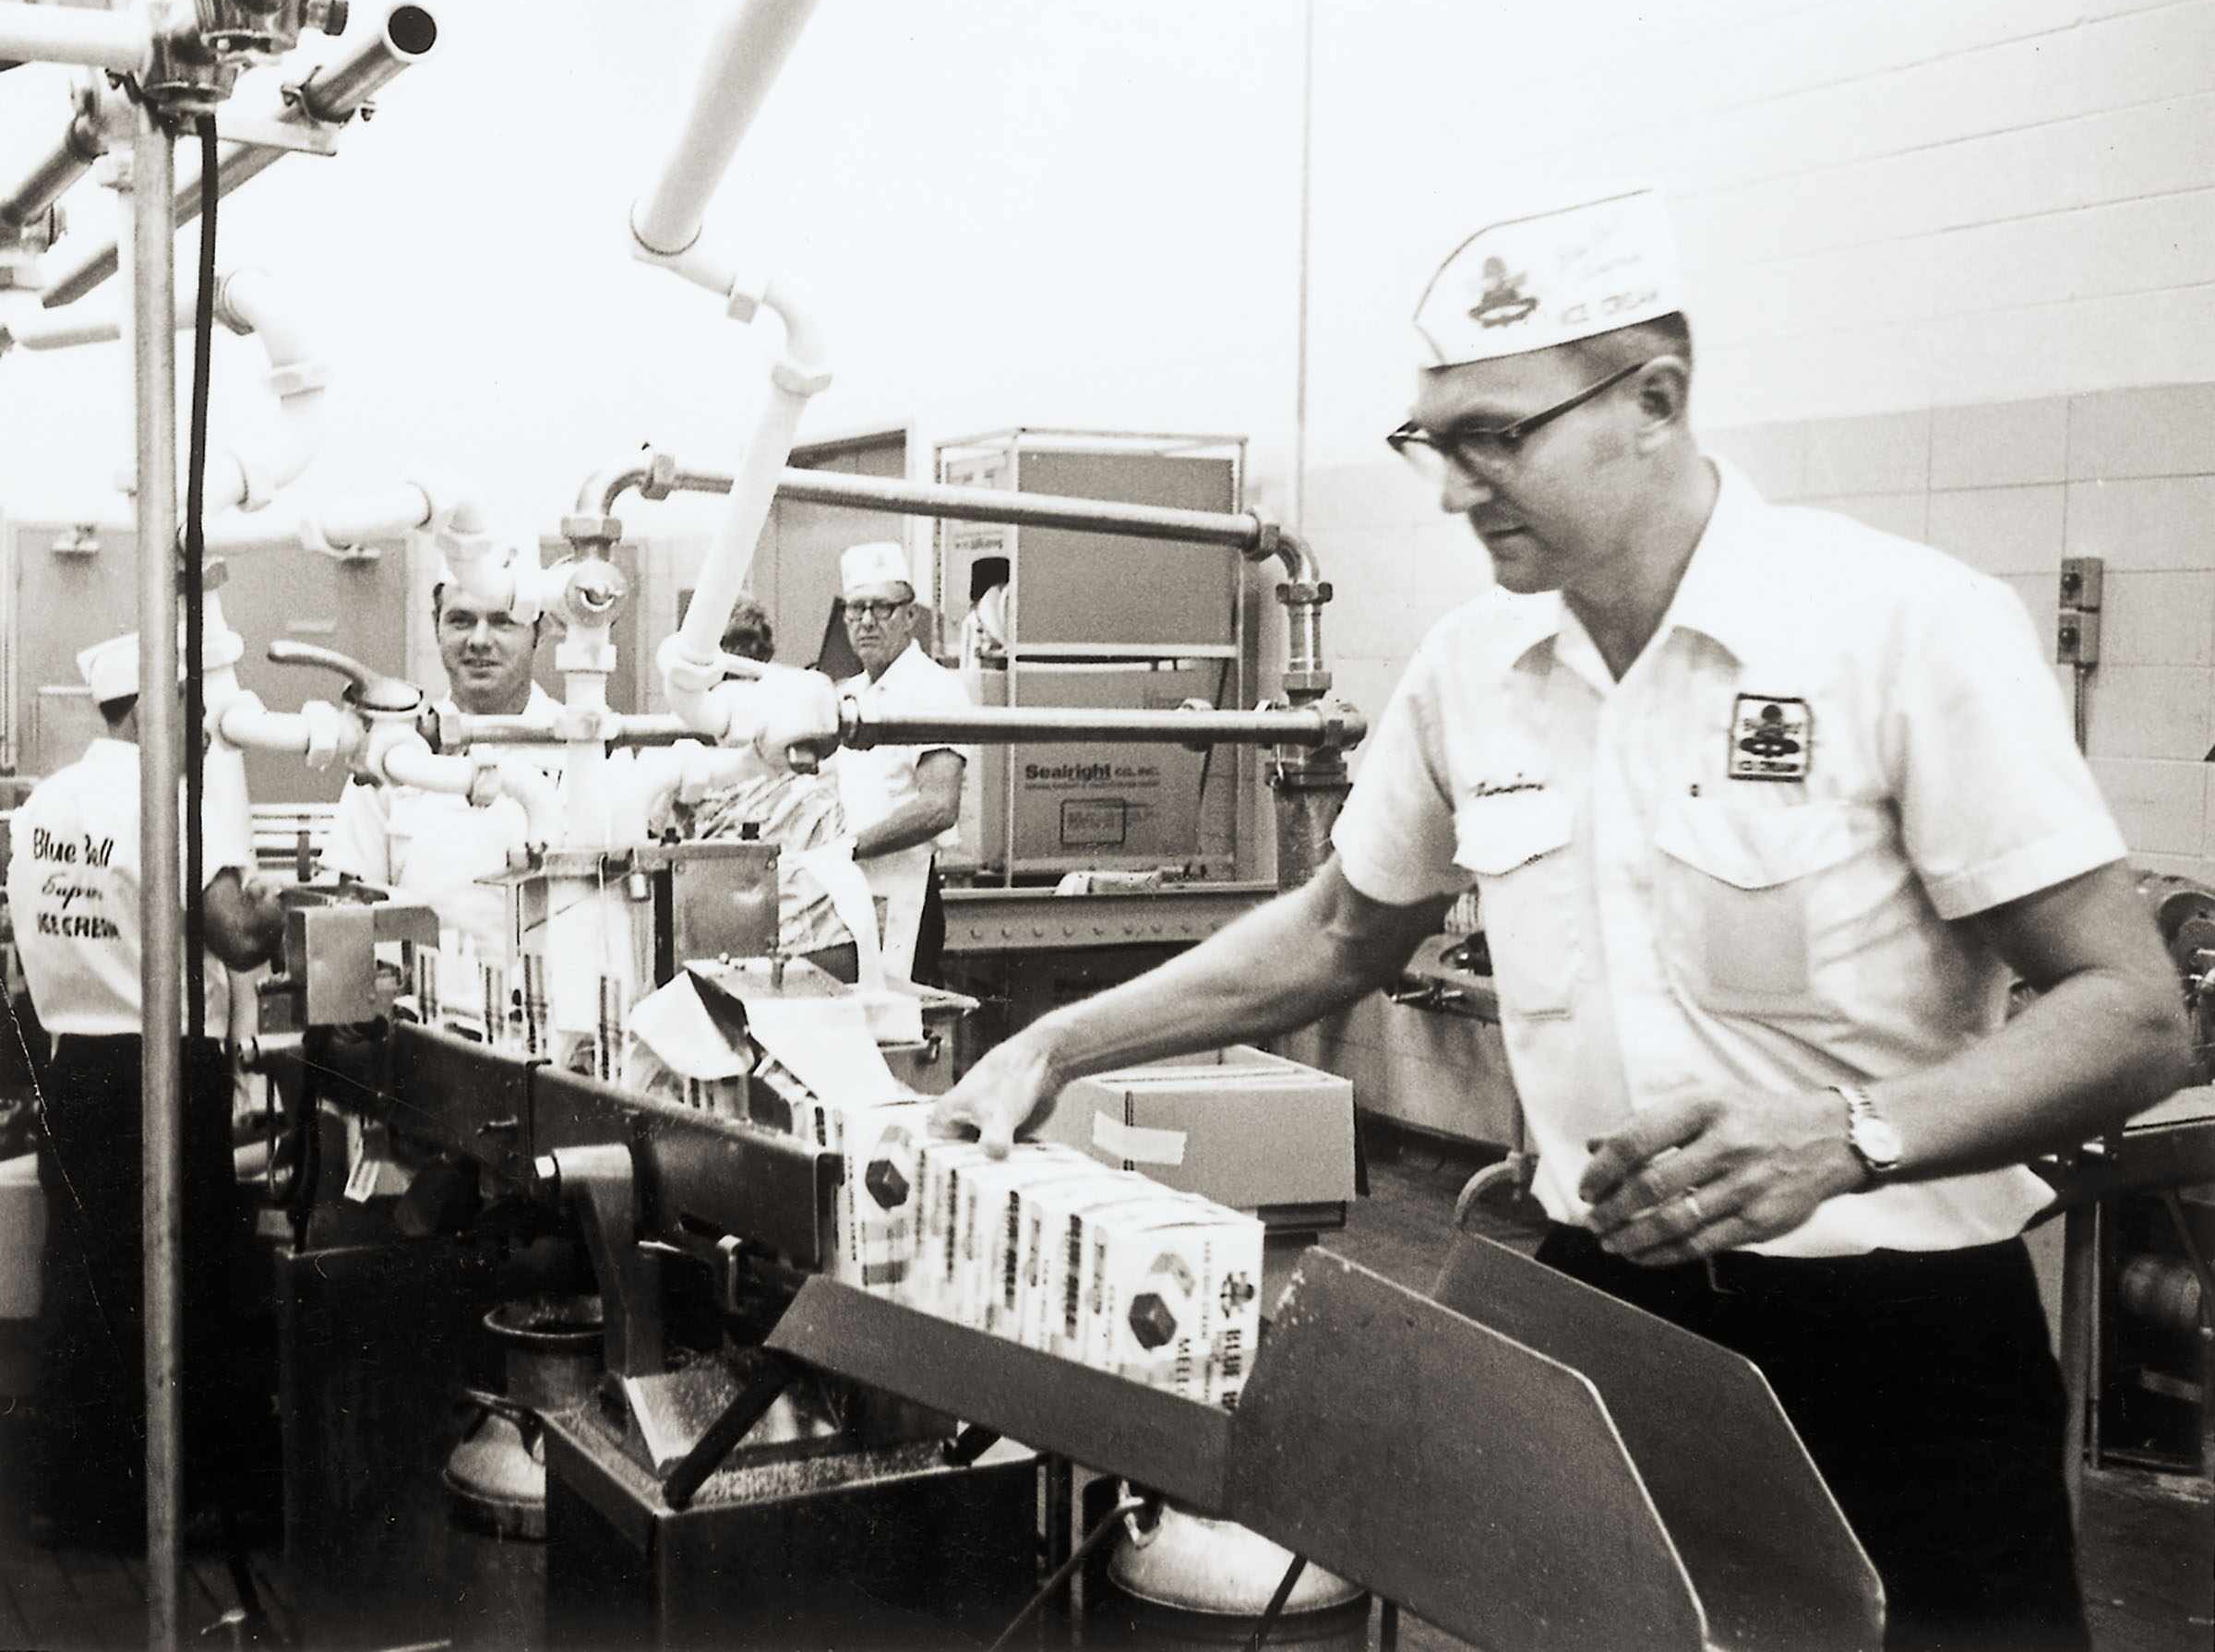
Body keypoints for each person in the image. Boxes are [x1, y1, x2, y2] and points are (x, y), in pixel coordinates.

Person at [928, 185, 2191, 1651]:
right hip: (1613, 1319)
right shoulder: (1475, 669)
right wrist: (1062, 1045)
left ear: (1656, 396)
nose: (1457, 488)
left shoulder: (1900, 629)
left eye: (1496, 437)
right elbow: (1343, 929)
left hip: (1899, 1334)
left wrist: (1850, 1132)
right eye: (1434, 441)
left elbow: (2132, 1009)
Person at [6, 631, 286, 1549]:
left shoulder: (50, 799)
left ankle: (80, 1497)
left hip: (70, 1062)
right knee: (175, 1285)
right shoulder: (160, 802)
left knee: (86, 1280)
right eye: (204, 702)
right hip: (157, 1071)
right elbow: (238, 936)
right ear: (168, 699)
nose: (212, 723)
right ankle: (159, 1507)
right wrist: (274, 906)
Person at [322, 569, 560, 952]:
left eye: (503, 621)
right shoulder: (391, 754)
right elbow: (348, 905)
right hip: (421, 1004)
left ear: (541, 629)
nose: (479, 640)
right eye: (461, 620)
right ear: (436, 626)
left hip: (560, 1001)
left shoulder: (583, 752)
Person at [674, 596, 861, 981]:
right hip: (799, 940)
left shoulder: (789, 722)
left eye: (748, 648)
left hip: (776, 944)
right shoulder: (807, 718)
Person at [827, 542, 972, 983]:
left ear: (910, 615)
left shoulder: (934, 691)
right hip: (849, 894)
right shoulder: (847, 694)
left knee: (894, 1028)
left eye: (882, 608)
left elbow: (938, 807)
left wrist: (849, 847)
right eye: (856, 609)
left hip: (906, 897)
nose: (867, 621)